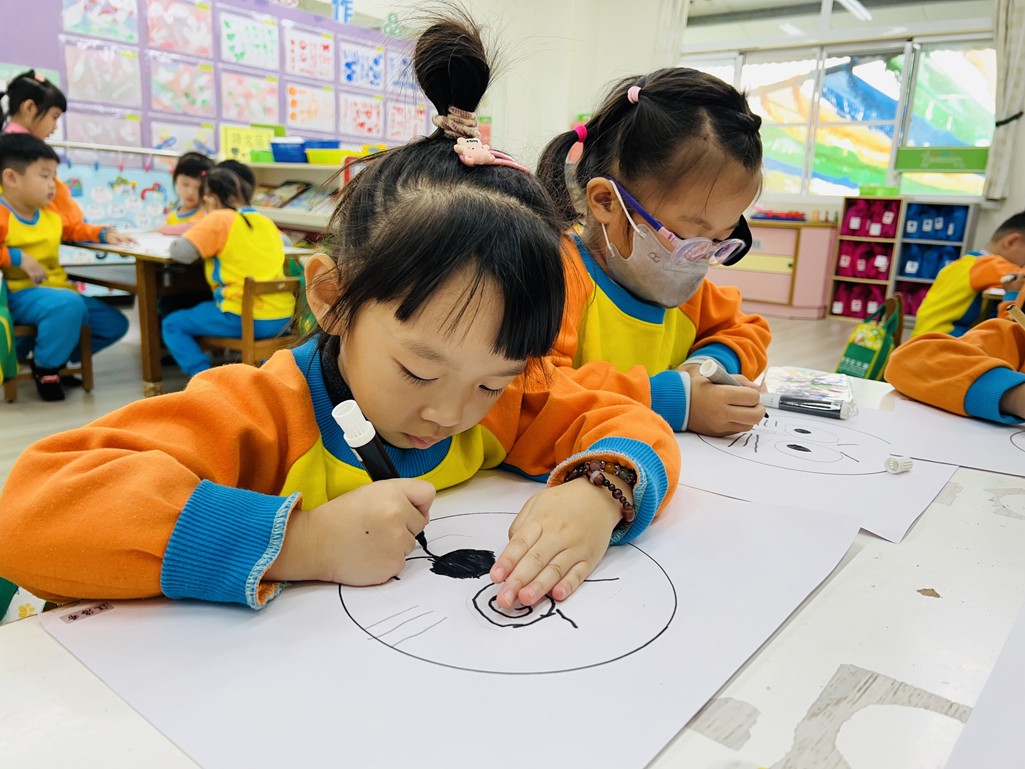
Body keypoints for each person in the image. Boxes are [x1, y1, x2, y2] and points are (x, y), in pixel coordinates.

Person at [0, 16, 681, 615]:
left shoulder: (505, 403)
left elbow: (627, 423)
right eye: (418, 371)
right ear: (331, 297)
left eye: (491, 380)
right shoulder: (264, 413)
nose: (451, 412)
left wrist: (599, 491)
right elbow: (32, 510)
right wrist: (298, 543)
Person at [535, 69, 771, 437]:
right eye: (687, 237)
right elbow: (534, 387)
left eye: (719, 241)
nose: (699, 260)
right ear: (606, 201)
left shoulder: (687, 293)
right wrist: (676, 400)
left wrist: (708, 366)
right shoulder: (557, 278)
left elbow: (747, 330)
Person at [0, 134, 129, 400]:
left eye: (54, 176)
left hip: (56, 292)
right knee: (68, 305)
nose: (53, 184)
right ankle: (46, 367)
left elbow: (76, 229)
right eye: (45, 176)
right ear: (11, 178)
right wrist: (17, 257)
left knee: (113, 323)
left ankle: (56, 357)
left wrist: (103, 233)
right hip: (16, 293)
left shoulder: (50, 215)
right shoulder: (3, 214)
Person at [161, 166, 293, 376]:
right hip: (283, 317)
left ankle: (204, 377)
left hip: (245, 316)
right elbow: (286, 243)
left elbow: (181, 252)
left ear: (210, 200)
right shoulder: (264, 220)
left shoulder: (220, 218)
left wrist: (204, 221)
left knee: (172, 324)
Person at [1, 69, 132, 244]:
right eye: (54, 117)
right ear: (29, 108)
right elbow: (57, 217)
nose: (55, 127)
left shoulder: (25, 151)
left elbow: (60, 220)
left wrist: (95, 232)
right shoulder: (18, 154)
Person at [887, 293, 1025, 423]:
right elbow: (909, 359)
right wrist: (1013, 397)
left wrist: (1011, 294)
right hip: (949, 333)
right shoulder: (1014, 339)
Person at [911, 212, 1025, 338]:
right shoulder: (988, 264)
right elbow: (1020, 277)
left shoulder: (968, 261)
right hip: (942, 337)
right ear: (1011, 242)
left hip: (924, 334)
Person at [158, 151, 214, 234]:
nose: (190, 192)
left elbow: (193, 228)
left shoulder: (206, 214)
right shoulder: (171, 216)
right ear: (176, 180)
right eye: (185, 184)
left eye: (198, 188)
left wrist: (161, 230)